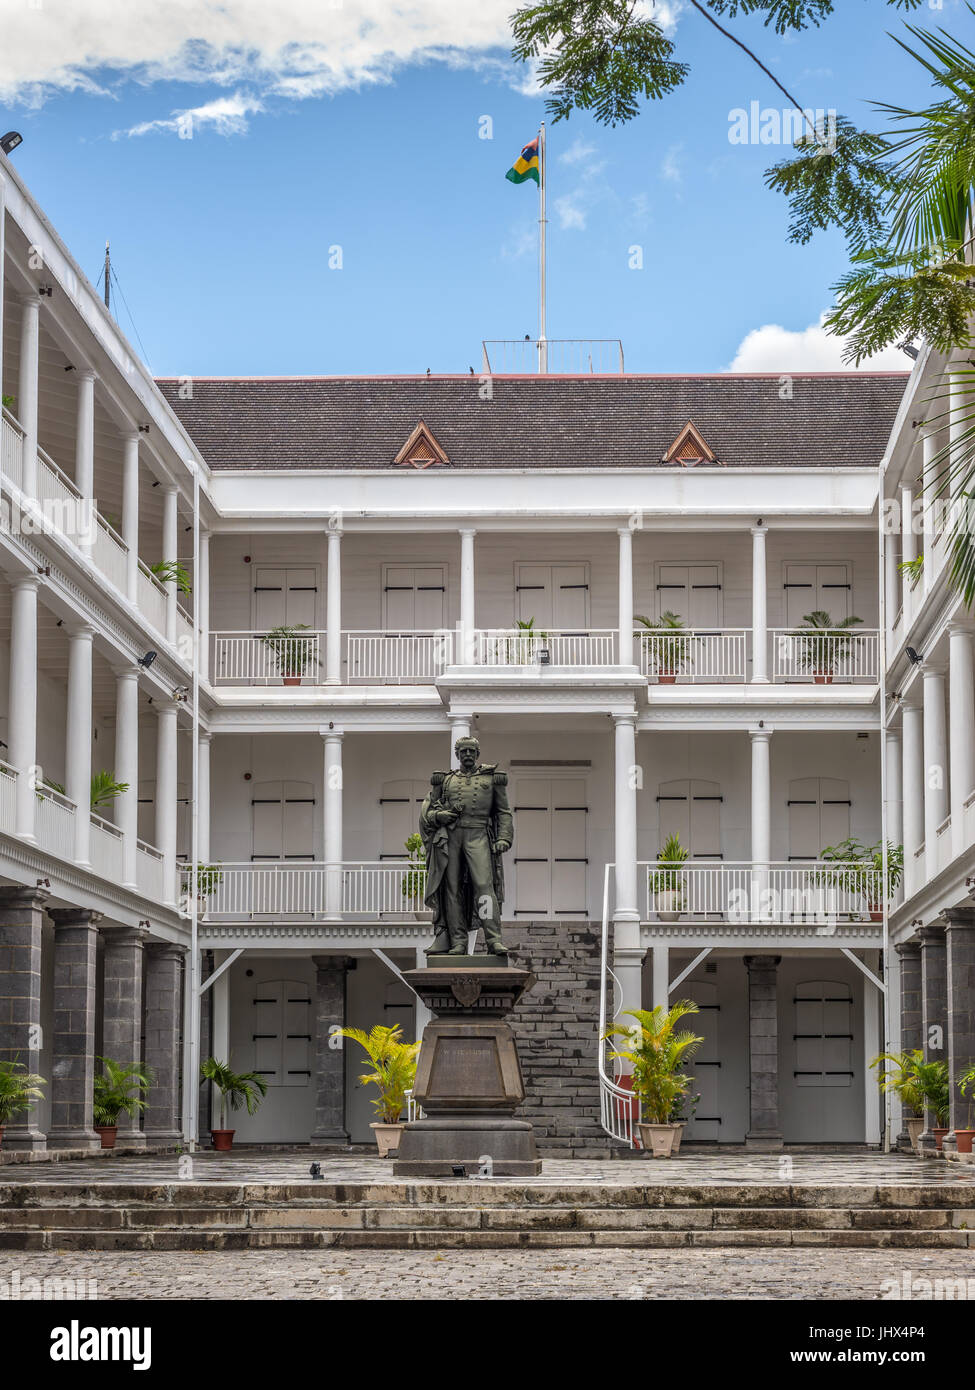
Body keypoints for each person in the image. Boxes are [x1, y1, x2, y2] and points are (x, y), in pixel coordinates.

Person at [419, 736, 513, 955]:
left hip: (478, 835)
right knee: (452, 889)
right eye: (463, 751)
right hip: (451, 837)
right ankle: (458, 941)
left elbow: (503, 812)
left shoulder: (492, 779)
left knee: (484, 886)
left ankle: (493, 940)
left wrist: (503, 838)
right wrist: (441, 815)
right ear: (457, 754)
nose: (468, 755)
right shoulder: (445, 780)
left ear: (478, 754)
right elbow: (429, 812)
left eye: (471, 751)